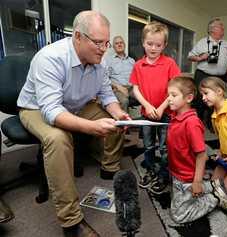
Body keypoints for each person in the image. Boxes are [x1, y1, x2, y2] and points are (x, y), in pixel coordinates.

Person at [17, 11, 129, 237]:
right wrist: (91, 128)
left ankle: (109, 168)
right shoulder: (50, 57)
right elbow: (52, 111)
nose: (103, 48)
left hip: (75, 105)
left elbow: (107, 94)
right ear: (78, 37)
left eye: (106, 42)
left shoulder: (100, 61)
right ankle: (71, 221)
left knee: (117, 119)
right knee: (58, 139)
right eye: (98, 42)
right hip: (36, 108)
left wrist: (118, 113)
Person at [167, 76, 227, 226]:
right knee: (178, 200)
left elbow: (202, 155)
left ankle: (215, 195)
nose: (169, 99)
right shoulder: (175, 116)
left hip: (187, 176)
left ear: (189, 98)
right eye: (168, 95)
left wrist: (196, 182)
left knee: (178, 217)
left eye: (174, 95)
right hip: (177, 173)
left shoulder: (191, 123)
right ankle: (210, 186)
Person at [130, 21, 181, 195]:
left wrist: (161, 108)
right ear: (143, 42)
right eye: (149, 44)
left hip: (166, 113)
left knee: (165, 147)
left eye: (158, 45)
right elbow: (135, 88)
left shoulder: (170, 64)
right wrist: (147, 105)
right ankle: (151, 170)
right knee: (149, 146)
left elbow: (175, 90)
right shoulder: (138, 65)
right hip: (146, 114)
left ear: (164, 45)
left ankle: (164, 175)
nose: (153, 48)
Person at [188, 18, 227, 123]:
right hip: (203, 75)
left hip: (220, 78)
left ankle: (212, 122)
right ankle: (197, 122)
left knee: (217, 100)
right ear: (212, 29)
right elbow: (190, 56)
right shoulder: (202, 42)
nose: (223, 27)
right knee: (200, 99)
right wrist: (200, 58)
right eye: (220, 26)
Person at [104, 35, 135, 112]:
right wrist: (118, 87)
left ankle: (149, 119)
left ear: (124, 45)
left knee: (146, 95)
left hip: (132, 88)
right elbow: (105, 78)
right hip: (118, 88)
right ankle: (125, 123)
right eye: (117, 43)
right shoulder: (108, 61)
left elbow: (136, 77)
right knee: (124, 101)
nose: (119, 44)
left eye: (121, 42)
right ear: (113, 47)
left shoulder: (132, 61)